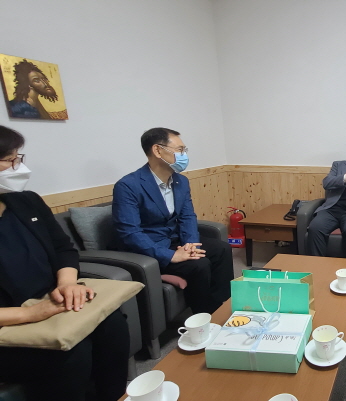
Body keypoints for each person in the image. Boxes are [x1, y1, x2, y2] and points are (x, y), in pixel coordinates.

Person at [0, 125, 128, 401]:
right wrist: (28, 315)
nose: (18, 167)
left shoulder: (27, 202)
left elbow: (63, 248)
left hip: (50, 301)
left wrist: (67, 283)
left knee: (112, 324)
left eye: (18, 158)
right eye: (9, 160)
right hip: (9, 322)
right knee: (72, 352)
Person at [113, 127, 233, 314]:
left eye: (184, 150)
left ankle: (223, 308)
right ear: (158, 150)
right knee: (199, 265)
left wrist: (191, 244)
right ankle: (205, 316)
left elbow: (187, 216)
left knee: (222, 249)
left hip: (175, 240)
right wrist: (170, 255)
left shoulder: (181, 181)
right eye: (179, 150)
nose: (184, 155)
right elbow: (130, 233)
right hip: (150, 247)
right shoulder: (128, 185)